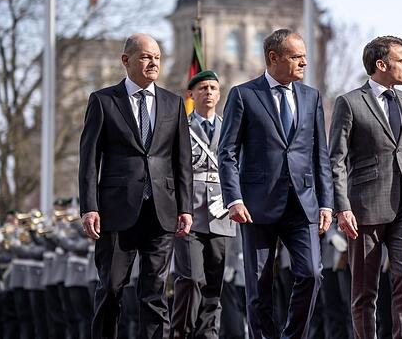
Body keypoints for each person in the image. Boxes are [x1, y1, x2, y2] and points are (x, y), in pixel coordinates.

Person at [218, 29, 334, 339]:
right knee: (259, 286)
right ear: (274, 58)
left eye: (304, 56)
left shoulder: (312, 97)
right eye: (297, 57)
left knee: (312, 274)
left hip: (303, 202)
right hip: (256, 206)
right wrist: (234, 199)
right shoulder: (243, 95)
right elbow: (227, 152)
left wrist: (326, 202)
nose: (304, 62)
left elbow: (319, 153)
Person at [78, 33, 193, 339]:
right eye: (145, 57)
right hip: (116, 213)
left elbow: (182, 160)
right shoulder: (103, 101)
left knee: (154, 293)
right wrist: (89, 207)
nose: (152, 62)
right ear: (126, 60)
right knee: (112, 289)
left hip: (161, 211)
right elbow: (89, 159)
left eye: (156, 57)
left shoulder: (174, 103)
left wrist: (185, 207)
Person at [329, 35, 402, 338]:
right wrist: (342, 207)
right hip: (365, 209)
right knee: (364, 289)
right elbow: (336, 160)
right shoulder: (349, 102)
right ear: (381, 64)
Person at [172, 70, 237, 339]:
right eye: (202, 88)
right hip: (189, 213)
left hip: (221, 213)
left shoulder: (230, 127)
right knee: (190, 279)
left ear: (219, 94)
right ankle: (182, 331)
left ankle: (207, 334)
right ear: (191, 95)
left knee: (213, 285)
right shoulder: (181, 128)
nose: (208, 92)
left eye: (213, 88)